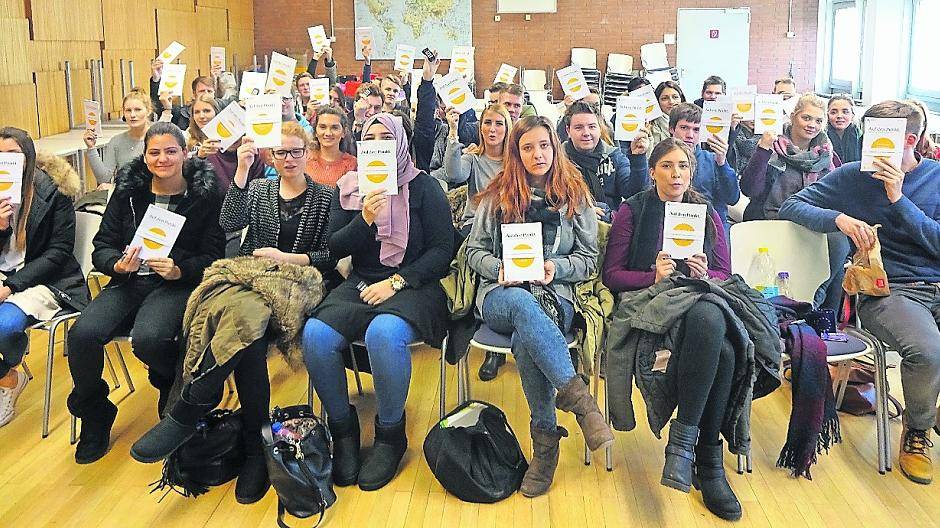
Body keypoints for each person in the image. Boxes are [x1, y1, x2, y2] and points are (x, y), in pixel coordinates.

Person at [131, 122, 336, 504]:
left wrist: (286, 257)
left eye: (295, 152)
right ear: (270, 156)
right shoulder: (258, 188)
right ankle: (256, 448)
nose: (288, 159)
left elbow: (330, 254)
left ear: (307, 154)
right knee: (249, 338)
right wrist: (241, 171)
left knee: (247, 310)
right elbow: (230, 224)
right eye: (280, 152)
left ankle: (190, 406)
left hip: (298, 280)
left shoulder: (326, 196)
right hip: (249, 277)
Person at [778, 100, 940, 485]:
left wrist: (899, 200)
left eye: (883, 139)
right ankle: (918, 431)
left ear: (910, 140)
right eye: (869, 137)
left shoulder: (935, 177)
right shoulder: (852, 177)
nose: (871, 147)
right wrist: (838, 218)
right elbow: (792, 204)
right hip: (890, 291)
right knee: (928, 350)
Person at [301, 113, 454, 491]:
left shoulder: (424, 187)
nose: (378, 143)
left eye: (387, 136)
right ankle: (343, 430)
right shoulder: (350, 186)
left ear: (400, 142)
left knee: (384, 333)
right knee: (315, 336)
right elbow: (335, 245)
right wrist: (365, 217)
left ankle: (390, 434)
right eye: (370, 137)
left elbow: (442, 250)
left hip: (416, 284)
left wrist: (398, 282)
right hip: (363, 280)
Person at [466, 115, 614, 497]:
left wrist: (555, 267)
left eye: (544, 145)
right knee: (519, 303)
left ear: (555, 147)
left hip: (554, 295)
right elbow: (473, 251)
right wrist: (498, 268)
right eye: (527, 147)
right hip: (500, 295)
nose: (537, 154)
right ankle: (580, 401)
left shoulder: (574, 194)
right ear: (516, 152)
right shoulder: (498, 193)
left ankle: (545, 448)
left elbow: (587, 258)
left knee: (525, 338)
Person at [602, 139, 747, 521]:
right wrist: (652, 275)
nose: (676, 173)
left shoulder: (708, 212)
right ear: (652, 172)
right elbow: (613, 276)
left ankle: (686, 446)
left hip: (699, 299)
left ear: (691, 171)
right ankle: (706, 460)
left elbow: (723, 273)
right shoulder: (632, 211)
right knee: (726, 351)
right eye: (666, 166)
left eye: (683, 166)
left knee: (709, 314)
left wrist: (704, 273)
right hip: (652, 305)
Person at [66, 122, 225, 465]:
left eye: (171, 151)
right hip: (128, 281)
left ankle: (168, 383)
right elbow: (102, 246)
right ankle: (96, 412)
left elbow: (214, 256)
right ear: (145, 155)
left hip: (176, 283)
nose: (163, 158)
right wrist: (117, 265)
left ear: (185, 153)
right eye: (155, 152)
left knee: (150, 339)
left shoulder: (206, 195)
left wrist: (181, 268)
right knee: (81, 335)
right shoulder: (127, 191)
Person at [0, 128, 88, 427]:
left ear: (28, 156)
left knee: (4, 324)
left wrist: (11, 286)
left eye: (12, 155)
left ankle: (9, 380)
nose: (5, 161)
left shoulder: (53, 192)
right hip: (4, 274)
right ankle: (8, 373)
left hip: (45, 280)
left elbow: (59, 253)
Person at [739, 93, 846, 309]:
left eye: (818, 120)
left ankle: (819, 308)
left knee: (839, 243)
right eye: (806, 118)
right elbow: (750, 189)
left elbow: (836, 195)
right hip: (772, 220)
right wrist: (763, 149)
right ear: (794, 117)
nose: (812, 125)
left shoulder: (827, 155)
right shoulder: (772, 146)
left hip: (811, 223)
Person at [563, 101, 649, 220]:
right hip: (572, 223)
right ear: (568, 130)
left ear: (600, 128)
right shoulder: (558, 160)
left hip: (609, 225)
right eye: (578, 128)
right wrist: (584, 211)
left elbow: (634, 193)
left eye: (592, 127)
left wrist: (638, 158)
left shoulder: (614, 156)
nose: (586, 133)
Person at [668, 103, 740, 236]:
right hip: (672, 224)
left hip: (710, 228)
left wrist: (722, 164)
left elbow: (732, 198)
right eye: (684, 128)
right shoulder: (662, 159)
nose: (690, 135)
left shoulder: (713, 159)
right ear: (672, 129)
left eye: (696, 130)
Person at [440, 103, 511, 236]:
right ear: (481, 127)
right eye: (487, 123)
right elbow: (453, 174)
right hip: (474, 225)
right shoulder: (473, 158)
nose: (492, 129)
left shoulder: (515, 162)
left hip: (507, 226)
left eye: (499, 124)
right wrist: (453, 131)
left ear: (507, 128)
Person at [84, 89, 152, 188]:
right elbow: (104, 178)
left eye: (138, 110)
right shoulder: (116, 141)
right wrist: (91, 148)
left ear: (148, 111)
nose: (132, 115)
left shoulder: (157, 138)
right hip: (125, 196)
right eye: (128, 110)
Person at [306, 105, 357, 186]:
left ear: (343, 132)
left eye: (334, 128)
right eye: (323, 127)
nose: (328, 133)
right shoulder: (305, 160)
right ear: (315, 131)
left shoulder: (352, 164)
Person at [650, 81, 686, 148]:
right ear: (657, 102)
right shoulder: (650, 125)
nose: (671, 102)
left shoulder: (691, 122)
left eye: (675, 97)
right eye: (665, 98)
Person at [826, 94, 860, 164]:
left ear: (852, 116)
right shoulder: (820, 138)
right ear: (827, 115)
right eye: (833, 112)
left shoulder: (860, 137)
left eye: (845, 112)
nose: (839, 116)